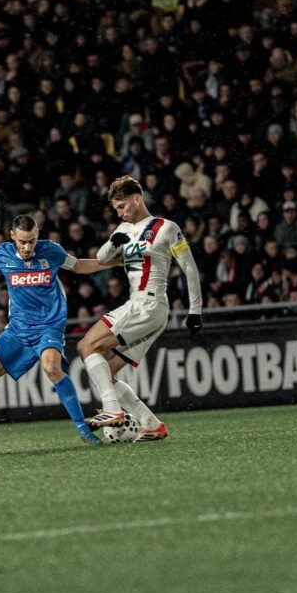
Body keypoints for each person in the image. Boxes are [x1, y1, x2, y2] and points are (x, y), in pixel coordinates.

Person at [0, 214, 111, 454]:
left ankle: (83, 429)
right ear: (13, 237)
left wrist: (113, 262)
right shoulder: (2, 254)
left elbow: (80, 266)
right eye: (22, 242)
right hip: (18, 331)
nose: (28, 247)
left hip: (49, 327)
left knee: (52, 368)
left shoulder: (51, 251)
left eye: (31, 241)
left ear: (37, 235)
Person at [78, 175, 203, 441]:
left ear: (137, 198)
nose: (120, 212)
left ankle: (112, 410)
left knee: (87, 346)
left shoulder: (166, 227)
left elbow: (190, 268)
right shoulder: (122, 231)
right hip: (142, 308)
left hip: (148, 305)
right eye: (116, 209)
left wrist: (195, 311)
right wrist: (113, 242)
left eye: (122, 206)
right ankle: (151, 423)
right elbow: (101, 258)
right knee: (105, 371)